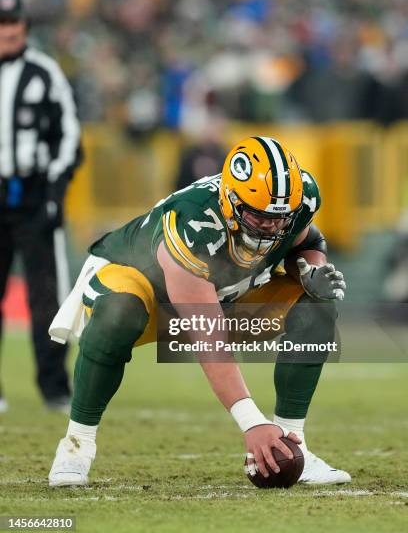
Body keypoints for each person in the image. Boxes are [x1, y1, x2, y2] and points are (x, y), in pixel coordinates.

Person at [48, 136, 348, 486]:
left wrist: (311, 272)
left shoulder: (299, 200)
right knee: (119, 312)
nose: (271, 227)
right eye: (259, 215)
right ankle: (76, 445)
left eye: (280, 218)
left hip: (222, 293)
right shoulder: (192, 222)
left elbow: (307, 243)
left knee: (316, 304)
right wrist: (251, 421)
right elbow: (207, 336)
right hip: (143, 286)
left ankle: (292, 441)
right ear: (230, 200)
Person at [0, 0, 82, 412]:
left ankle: (54, 388)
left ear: (25, 25)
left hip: (33, 194)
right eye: (1, 23)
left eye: (12, 22)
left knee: (47, 295)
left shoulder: (44, 72)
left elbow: (68, 136)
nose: (7, 31)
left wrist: (54, 192)